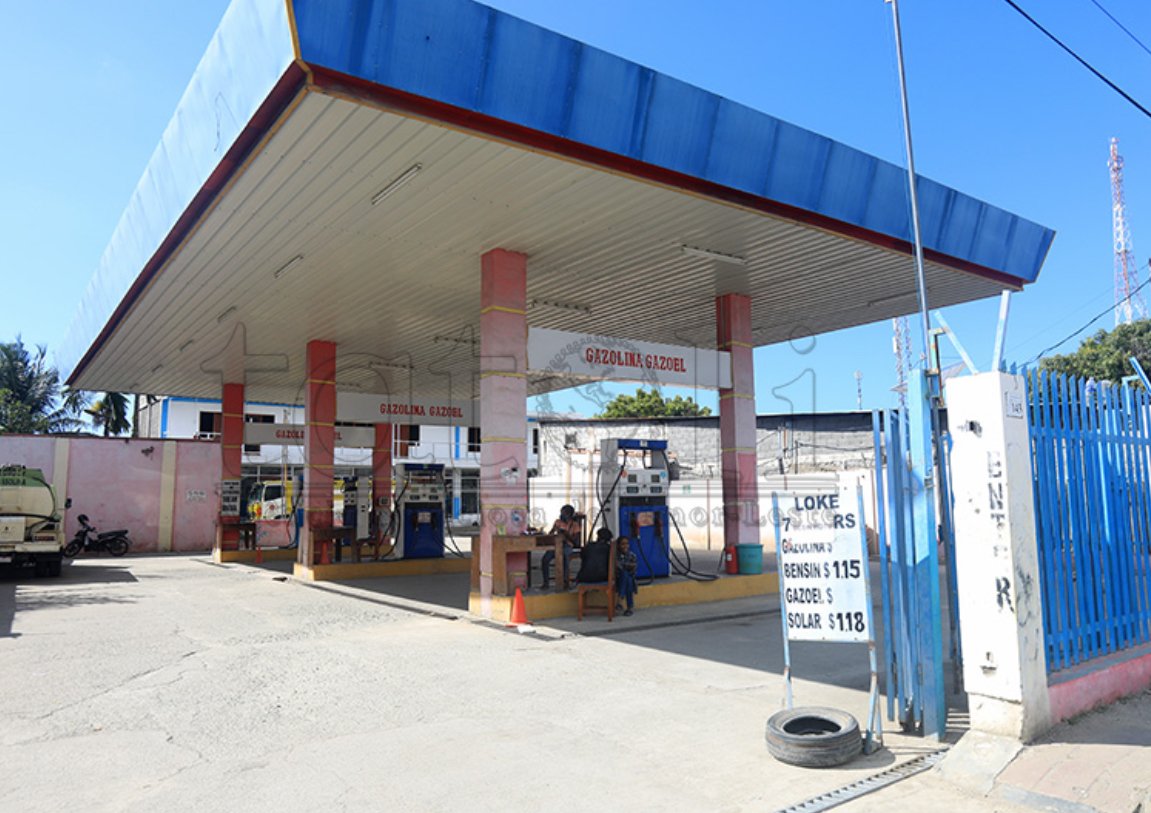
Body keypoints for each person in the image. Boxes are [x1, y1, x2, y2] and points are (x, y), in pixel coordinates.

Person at [540, 504, 583, 590]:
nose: (562, 515)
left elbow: (576, 542)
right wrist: (554, 531)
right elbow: (550, 534)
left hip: (568, 545)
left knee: (565, 558)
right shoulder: (558, 522)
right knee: (545, 559)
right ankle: (545, 582)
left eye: (565, 513)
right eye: (561, 513)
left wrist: (566, 534)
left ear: (570, 514)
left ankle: (565, 582)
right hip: (556, 545)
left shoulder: (575, 525)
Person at [615, 535, 638, 616]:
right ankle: (629, 607)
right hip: (618, 579)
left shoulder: (632, 555)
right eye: (622, 544)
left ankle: (620, 600)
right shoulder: (615, 555)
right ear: (618, 545)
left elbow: (634, 569)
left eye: (627, 544)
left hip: (629, 578)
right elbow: (618, 567)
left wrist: (625, 566)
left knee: (628, 578)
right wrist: (628, 566)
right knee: (626, 576)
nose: (625, 546)